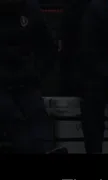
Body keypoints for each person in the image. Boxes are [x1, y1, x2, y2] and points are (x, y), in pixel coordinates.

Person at [0, 0, 67, 153]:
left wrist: (37, 74)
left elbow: (47, 47)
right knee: (13, 118)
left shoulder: (29, 9)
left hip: (25, 80)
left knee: (38, 115)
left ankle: (46, 149)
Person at [78, 0, 108, 154]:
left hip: (95, 73)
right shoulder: (96, 8)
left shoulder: (95, 8)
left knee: (93, 123)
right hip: (96, 73)